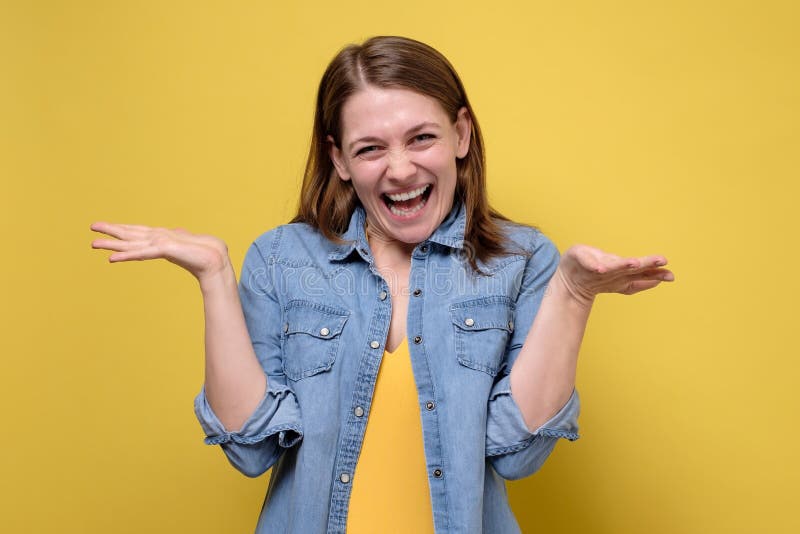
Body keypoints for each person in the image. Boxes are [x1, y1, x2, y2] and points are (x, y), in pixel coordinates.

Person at [90, 35, 674, 533]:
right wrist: (215, 276)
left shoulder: (521, 260)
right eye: (370, 148)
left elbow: (518, 454)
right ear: (340, 159)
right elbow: (250, 449)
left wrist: (573, 294)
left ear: (461, 135)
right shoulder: (281, 259)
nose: (399, 169)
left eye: (421, 138)